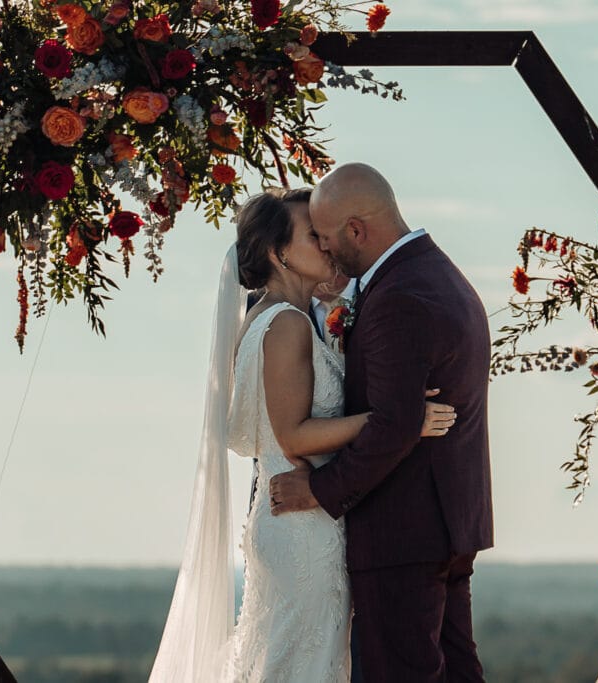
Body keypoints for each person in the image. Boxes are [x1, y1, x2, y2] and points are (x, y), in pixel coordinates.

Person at [148, 187, 455, 682]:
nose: (328, 244)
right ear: (278, 252)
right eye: (313, 236)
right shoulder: (287, 324)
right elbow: (293, 435)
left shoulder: (271, 318)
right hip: (303, 530)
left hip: (286, 521)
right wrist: (398, 421)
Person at [269, 164, 494, 682]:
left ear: (356, 230)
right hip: (447, 521)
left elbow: (396, 424)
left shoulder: (399, 296)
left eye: (326, 238)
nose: (325, 251)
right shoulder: (436, 273)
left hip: (404, 530)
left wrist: (319, 490)